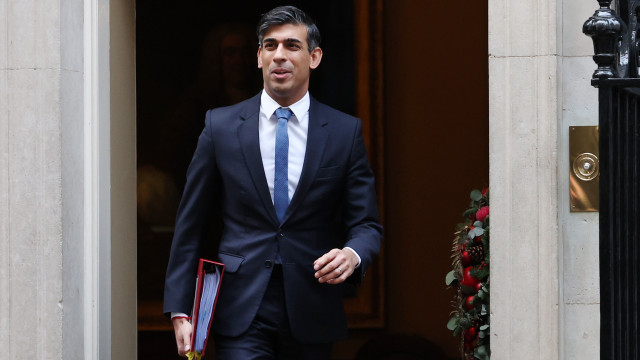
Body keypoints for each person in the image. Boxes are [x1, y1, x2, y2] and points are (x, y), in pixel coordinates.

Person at [163, 5, 382, 359]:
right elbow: (191, 223)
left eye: (292, 46)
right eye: (270, 45)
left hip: (312, 303)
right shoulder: (220, 126)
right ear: (259, 57)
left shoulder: (344, 132)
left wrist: (352, 254)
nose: (279, 55)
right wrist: (180, 309)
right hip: (240, 305)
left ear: (314, 57)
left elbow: (367, 224)